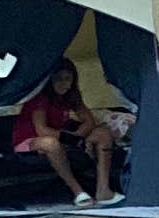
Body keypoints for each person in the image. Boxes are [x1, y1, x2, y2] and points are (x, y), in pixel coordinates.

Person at [8, 62, 124, 202]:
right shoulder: (40, 98)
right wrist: (72, 139)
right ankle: (78, 192)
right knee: (50, 143)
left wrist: (80, 137)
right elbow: (41, 129)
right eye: (59, 79)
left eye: (68, 78)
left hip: (62, 138)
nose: (63, 83)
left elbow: (89, 121)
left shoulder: (71, 96)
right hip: (30, 141)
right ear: (49, 80)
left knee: (102, 133)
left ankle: (103, 190)